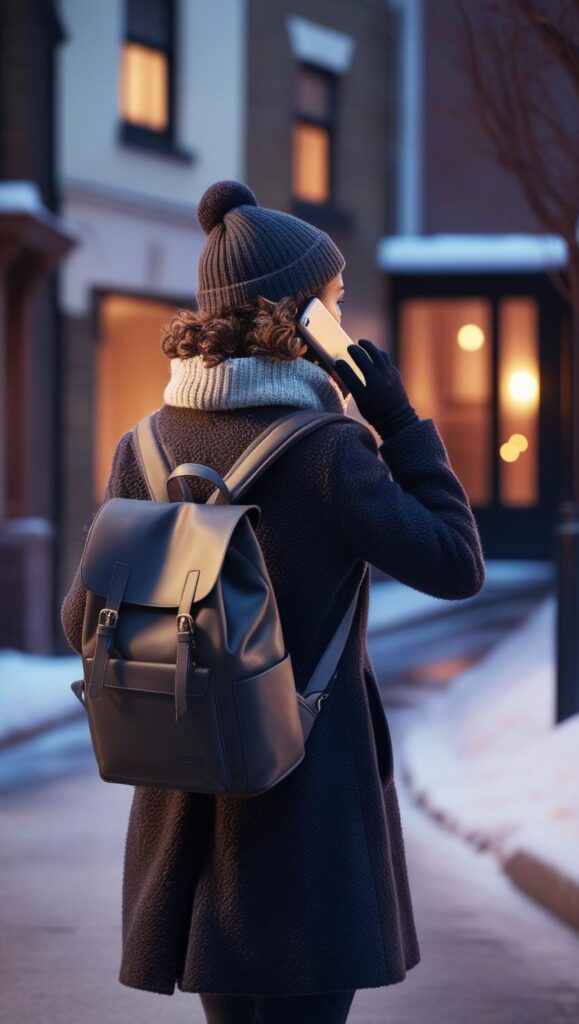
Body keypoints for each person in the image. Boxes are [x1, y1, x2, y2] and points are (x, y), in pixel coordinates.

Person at [61, 179, 486, 1024]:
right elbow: (454, 562)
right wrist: (396, 420)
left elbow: (83, 621)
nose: (343, 310)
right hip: (308, 820)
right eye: (333, 298)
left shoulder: (143, 447)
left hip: (187, 818)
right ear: (300, 319)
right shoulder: (331, 453)